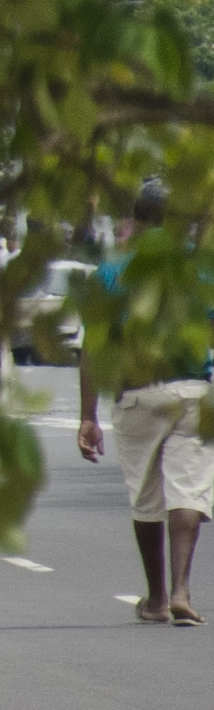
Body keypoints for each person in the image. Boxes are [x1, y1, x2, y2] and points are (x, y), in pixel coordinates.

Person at [73, 196, 208, 625]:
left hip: (138, 396)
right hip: (193, 391)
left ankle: (157, 599)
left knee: (147, 497)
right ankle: (183, 588)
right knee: (187, 491)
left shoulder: (112, 273)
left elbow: (93, 348)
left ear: (136, 221)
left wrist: (87, 415)